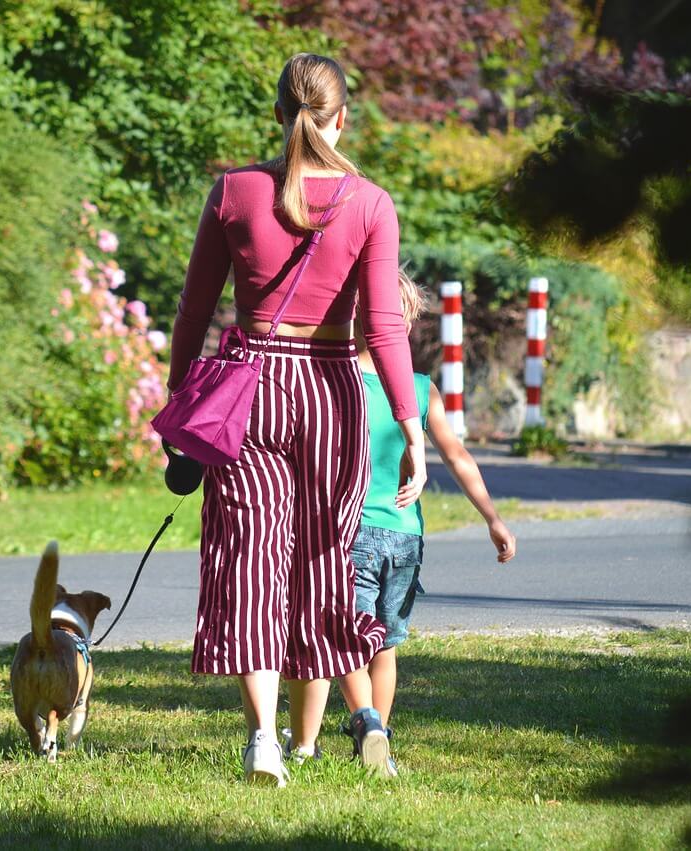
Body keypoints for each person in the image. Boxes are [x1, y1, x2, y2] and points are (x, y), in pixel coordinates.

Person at [167, 53, 425, 786]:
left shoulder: (234, 191)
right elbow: (384, 326)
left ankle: (263, 740)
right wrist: (410, 427)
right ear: (343, 118)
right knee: (319, 561)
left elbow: (193, 311)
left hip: (250, 389)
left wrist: (180, 403)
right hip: (332, 390)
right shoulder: (370, 204)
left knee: (249, 559)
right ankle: (342, 718)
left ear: (279, 113)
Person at [321, 270, 516, 776]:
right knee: (384, 644)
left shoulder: (334, 379)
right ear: (404, 325)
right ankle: (377, 750)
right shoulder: (421, 389)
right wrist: (492, 519)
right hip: (406, 536)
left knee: (346, 638)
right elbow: (458, 457)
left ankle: (366, 723)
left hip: (351, 531)